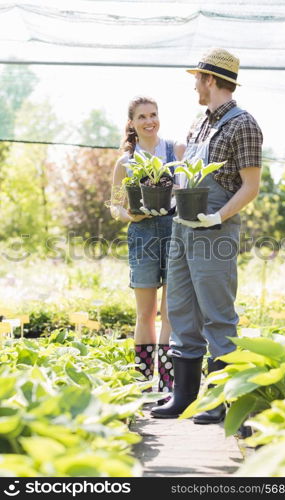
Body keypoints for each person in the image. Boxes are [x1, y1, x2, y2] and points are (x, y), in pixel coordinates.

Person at [151, 48, 263, 422]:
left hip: (214, 231)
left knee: (217, 315)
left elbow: (251, 186)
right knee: (180, 308)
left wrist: (217, 215)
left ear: (211, 80)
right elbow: (186, 175)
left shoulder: (243, 124)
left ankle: (217, 400)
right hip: (183, 229)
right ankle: (184, 397)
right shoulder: (200, 122)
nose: (195, 86)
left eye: (197, 78)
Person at [110, 96, 185, 401]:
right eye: (142, 116)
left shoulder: (175, 150)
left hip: (173, 231)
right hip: (141, 234)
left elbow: (185, 189)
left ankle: (167, 384)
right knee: (145, 313)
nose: (149, 121)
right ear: (132, 122)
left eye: (153, 115)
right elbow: (114, 206)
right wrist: (132, 214)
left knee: (169, 313)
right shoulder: (125, 162)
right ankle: (143, 383)